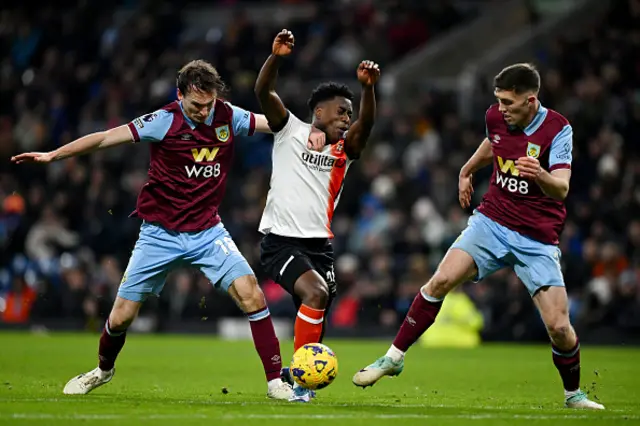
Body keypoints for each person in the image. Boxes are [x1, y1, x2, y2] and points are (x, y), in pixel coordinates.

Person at [11, 59, 326, 400]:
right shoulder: (163, 121)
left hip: (208, 232)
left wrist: (311, 129)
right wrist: (53, 155)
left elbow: (278, 124)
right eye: (196, 105)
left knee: (252, 293)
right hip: (159, 234)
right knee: (120, 319)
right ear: (180, 96)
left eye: (209, 104)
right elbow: (104, 138)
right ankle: (102, 370)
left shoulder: (228, 115)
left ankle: (274, 383)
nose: (205, 112)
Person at [352, 63, 605, 410]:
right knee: (439, 280)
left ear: (530, 101)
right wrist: (467, 169)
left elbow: (561, 188)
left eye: (508, 103)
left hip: (537, 239)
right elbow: (493, 142)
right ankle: (394, 357)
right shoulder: (496, 117)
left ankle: (573, 394)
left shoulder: (558, 129)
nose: (501, 109)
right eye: (498, 100)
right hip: (492, 222)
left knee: (560, 327)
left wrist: (541, 175)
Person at [253, 29, 380, 402]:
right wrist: (276, 58)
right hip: (280, 242)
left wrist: (369, 89)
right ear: (319, 111)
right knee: (317, 292)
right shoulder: (288, 129)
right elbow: (264, 93)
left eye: (349, 113)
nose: (346, 118)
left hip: (320, 246)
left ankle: (298, 377)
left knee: (317, 307)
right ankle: (301, 385)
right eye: (341, 111)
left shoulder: (345, 149)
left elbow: (367, 126)